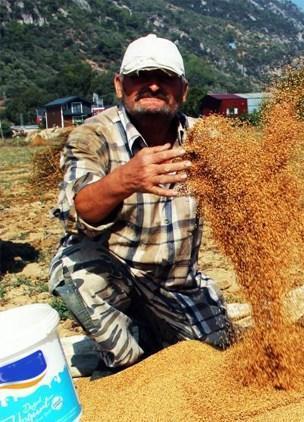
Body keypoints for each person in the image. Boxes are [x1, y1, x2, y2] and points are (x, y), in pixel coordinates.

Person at [48, 34, 232, 371]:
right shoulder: (92, 136)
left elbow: (247, 187)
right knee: (77, 273)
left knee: (221, 349)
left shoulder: (206, 138)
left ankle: (151, 331)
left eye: (165, 78)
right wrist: (124, 180)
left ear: (183, 89)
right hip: (115, 274)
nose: (152, 86)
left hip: (176, 282)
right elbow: (79, 212)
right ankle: (127, 355)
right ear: (120, 85)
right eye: (140, 77)